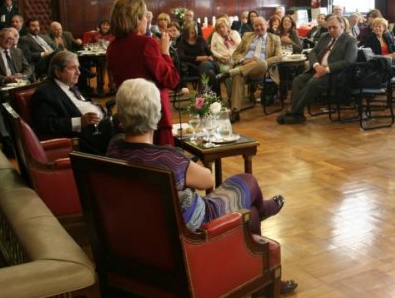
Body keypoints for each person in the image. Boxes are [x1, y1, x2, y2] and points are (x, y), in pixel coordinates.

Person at [106, 78, 297, 294]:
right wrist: (184, 164)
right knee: (248, 182)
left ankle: (264, 275)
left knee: (248, 213)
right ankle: (264, 214)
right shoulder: (168, 160)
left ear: (120, 115)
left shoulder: (114, 148)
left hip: (143, 230)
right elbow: (207, 180)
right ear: (157, 116)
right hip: (193, 228)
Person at [106, 0, 180, 146]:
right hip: (154, 114)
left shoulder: (112, 47)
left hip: (130, 115)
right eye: (144, 16)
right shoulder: (146, 43)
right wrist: (165, 52)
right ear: (136, 19)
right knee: (162, 165)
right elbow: (171, 79)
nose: (147, 20)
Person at [277, 15, 357, 125]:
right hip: (317, 69)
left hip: (335, 74)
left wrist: (326, 69)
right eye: (329, 28)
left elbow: (349, 61)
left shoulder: (350, 40)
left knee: (313, 82)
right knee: (298, 81)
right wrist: (316, 66)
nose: (331, 30)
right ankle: (298, 114)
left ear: (342, 26)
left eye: (334, 27)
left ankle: (293, 112)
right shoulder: (325, 36)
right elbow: (313, 52)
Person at [32, 51, 112, 155]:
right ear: (57, 72)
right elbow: (46, 124)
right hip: (85, 139)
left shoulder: (70, 86)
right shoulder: (45, 92)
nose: (78, 72)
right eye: (72, 68)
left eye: (78, 67)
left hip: (100, 126)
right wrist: (79, 122)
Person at [216, 16, 282, 122]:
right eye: (256, 25)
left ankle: (230, 73)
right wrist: (243, 61)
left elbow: (279, 57)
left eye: (261, 25)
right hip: (244, 67)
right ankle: (235, 111)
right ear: (253, 26)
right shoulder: (247, 36)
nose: (258, 27)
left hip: (261, 70)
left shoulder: (275, 38)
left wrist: (261, 62)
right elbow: (236, 53)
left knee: (262, 64)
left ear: (266, 25)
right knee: (238, 76)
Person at [177, 21, 217, 92]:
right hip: (192, 68)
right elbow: (182, 57)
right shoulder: (182, 43)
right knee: (211, 74)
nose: (194, 34)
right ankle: (213, 98)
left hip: (208, 63)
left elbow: (210, 53)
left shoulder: (200, 40)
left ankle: (201, 96)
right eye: (192, 32)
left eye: (195, 32)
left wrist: (209, 58)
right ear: (186, 32)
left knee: (205, 65)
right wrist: (199, 58)